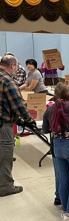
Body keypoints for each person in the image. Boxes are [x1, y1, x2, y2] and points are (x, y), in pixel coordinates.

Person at [42, 83, 69, 221]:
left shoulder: (50, 109)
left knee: (64, 178)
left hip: (57, 146)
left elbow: (46, 130)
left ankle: (66, 209)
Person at [0, 54, 35, 197]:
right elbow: (18, 104)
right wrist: (28, 119)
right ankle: (5, 186)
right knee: (5, 155)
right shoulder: (7, 80)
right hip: (3, 125)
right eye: (17, 67)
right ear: (12, 66)